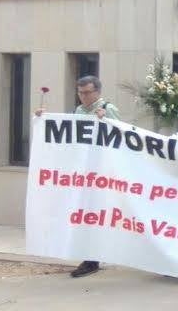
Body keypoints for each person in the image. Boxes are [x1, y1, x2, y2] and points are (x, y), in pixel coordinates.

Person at [35, 75, 119, 278]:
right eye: (80, 92)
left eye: (87, 92)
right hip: (82, 171)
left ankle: (93, 258)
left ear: (97, 92)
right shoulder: (79, 111)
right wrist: (41, 119)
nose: (83, 96)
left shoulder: (108, 108)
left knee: (97, 212)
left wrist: (106, 121)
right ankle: (89, 257)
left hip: (101, 171)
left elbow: (121, 137)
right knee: (84, 212)